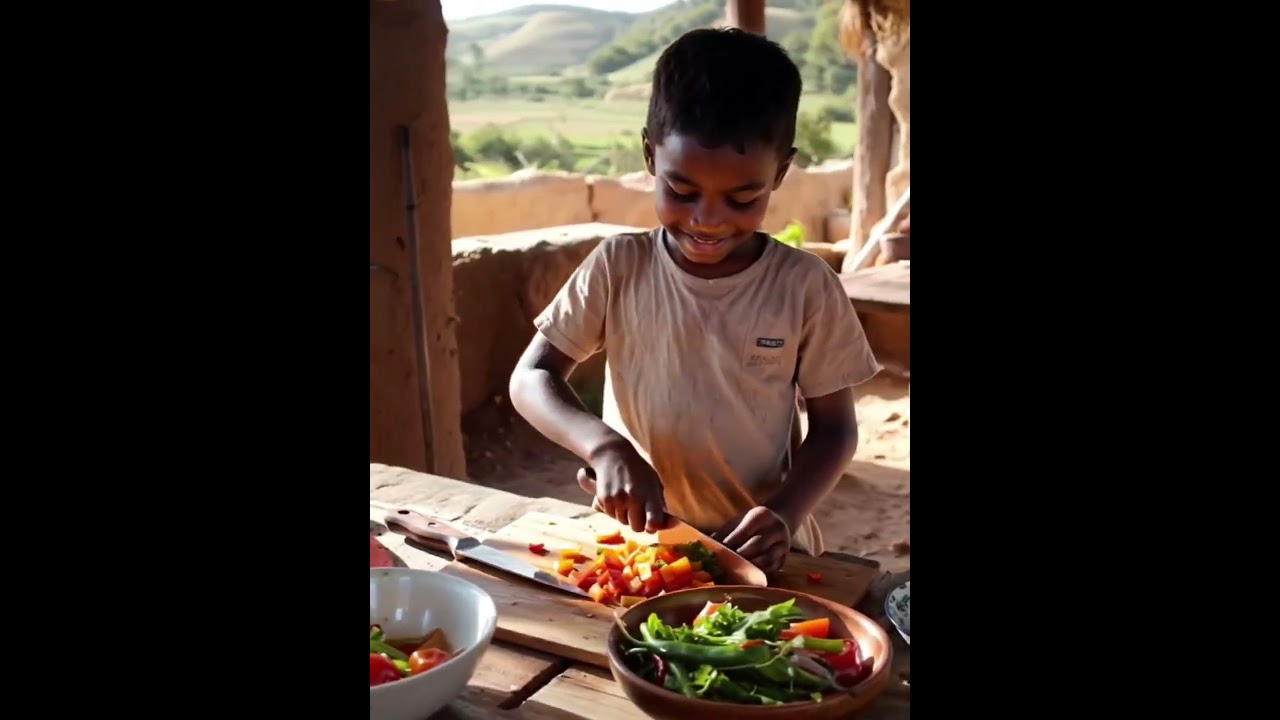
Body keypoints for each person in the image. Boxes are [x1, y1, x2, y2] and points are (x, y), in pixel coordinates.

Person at [508, 27, 881, 574]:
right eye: (682, 192)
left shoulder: (803, 286)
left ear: (779, 172)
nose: (707, 219)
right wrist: (604, 446)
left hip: (758, 550)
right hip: (639, 544)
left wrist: (784, 514)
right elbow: (532, 377)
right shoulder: (619, 267)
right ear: (650, 157)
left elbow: (835, 429)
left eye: (743, 197)